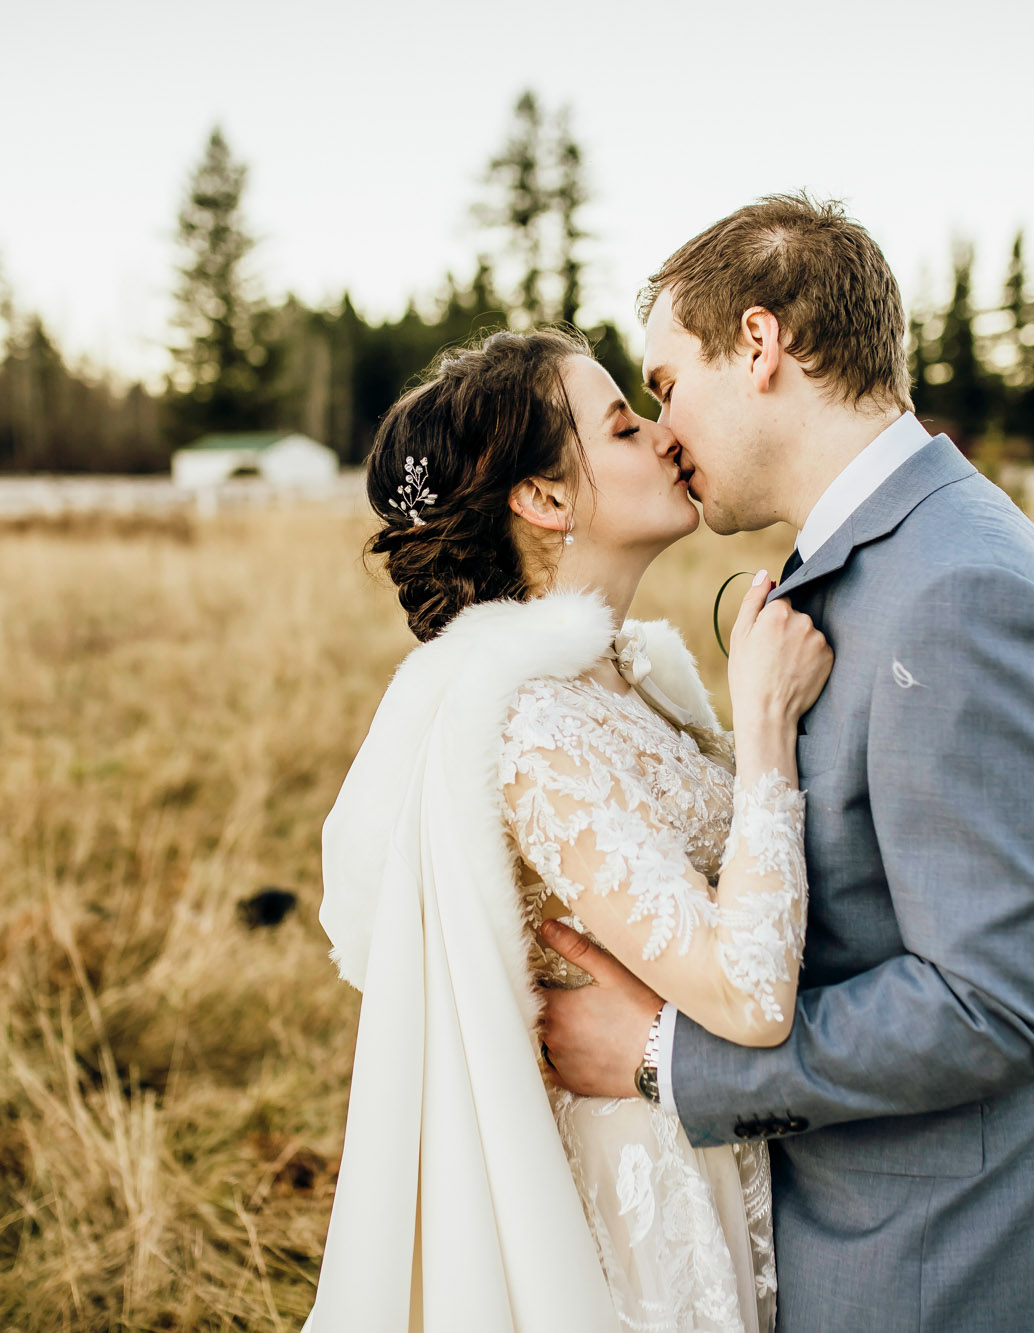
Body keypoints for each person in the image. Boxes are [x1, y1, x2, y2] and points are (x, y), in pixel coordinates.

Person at [535, 193, 1034, 1332]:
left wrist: (669, 1059)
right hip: (859, 1229)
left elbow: (997, 1003)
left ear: (757, 346)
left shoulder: (959, 592)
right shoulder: (875, 558)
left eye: (665, 385)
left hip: (945, 1262)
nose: (662, 432)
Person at [306, 325, 833, 1332]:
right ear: (544, 500)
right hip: (634, 1198)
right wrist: (764, 730)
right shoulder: (535, 723)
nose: (666, 436)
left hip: (710, 1144)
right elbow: (747, 992)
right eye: (624, 426)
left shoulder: (628, 678)